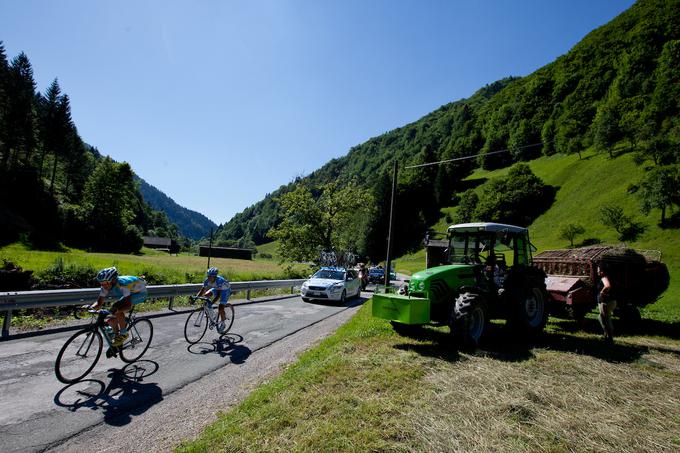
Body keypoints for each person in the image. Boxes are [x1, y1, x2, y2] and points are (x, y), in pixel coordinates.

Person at [90, 267, 148, 347]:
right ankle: (117, 339)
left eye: (106, 283)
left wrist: (117, 310)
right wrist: (89, 308)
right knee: (112, 317)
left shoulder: (122, 284)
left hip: (140, 293)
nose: (104, 285)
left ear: (113, 280)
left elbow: (127, 305)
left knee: (117, 309)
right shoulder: (105, 285)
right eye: (101, 283)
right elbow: (99, 303)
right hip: (130, 292)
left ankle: (124, 334)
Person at [196, 267, 232, 333]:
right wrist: (195, 298)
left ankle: (223, 323)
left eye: (211, 277)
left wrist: (211, 303)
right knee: (206, 294)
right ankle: (212, 314)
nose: (209, 278)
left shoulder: (219, 281)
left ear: (215, 277)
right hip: (216, 288)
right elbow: (202, 291)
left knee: (220, 307)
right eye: (208, 276)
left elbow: (218, 296)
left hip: (225, 290)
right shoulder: (207, 280)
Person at [597, 262, 616, 344]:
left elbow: (607, 286)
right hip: (611, 301)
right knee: (601, 318)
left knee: (606, 320)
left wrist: (602, 293)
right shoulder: (610, 276)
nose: (597, 271)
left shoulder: (604, 278)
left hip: (605, 302)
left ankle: (610, 339)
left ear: (602, 271)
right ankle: (606, 336)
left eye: (598, 270)